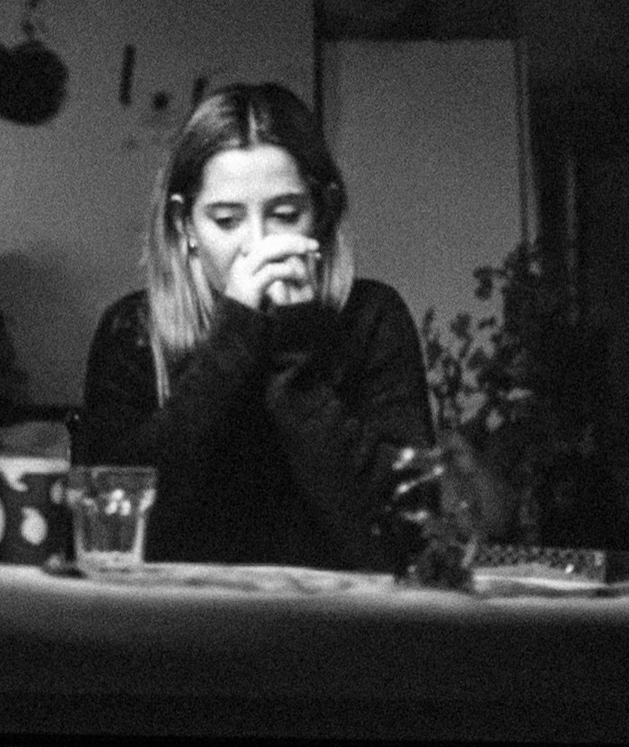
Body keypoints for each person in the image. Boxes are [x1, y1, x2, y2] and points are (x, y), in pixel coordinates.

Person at [75, 83, 435, 569]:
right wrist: (234, 342)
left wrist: (294, 362)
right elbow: (116, 532)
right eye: (226, 220)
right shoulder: (133, 331)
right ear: (185, 226)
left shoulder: (371, 318)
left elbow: (403, 538)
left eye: (285, 215)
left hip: (337, 629)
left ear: (322, 215)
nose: (258, 245)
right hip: (175, 629)